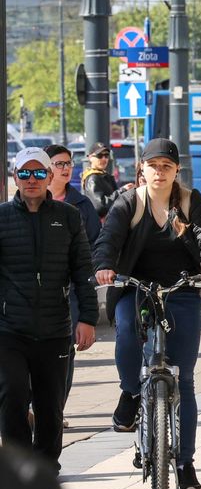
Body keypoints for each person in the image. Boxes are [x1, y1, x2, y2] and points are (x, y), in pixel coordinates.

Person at [93, 138, 201, 489]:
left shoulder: (188, 201)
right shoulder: (129, 202)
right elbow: (109, 237)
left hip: (180, 290)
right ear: (143, 168)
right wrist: (105, 265)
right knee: (126, 338)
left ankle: (185, 465)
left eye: (167, 166)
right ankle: (132, 393)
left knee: (184, 380)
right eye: (154, 166)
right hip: (136, 288)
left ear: (176, 170)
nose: (160, 172)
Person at [0, 147, 97, 472]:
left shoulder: (68, 217)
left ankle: (45, 467)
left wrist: (87, 318)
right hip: (9, 329)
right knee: (12, 396)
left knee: (50, 408)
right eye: (24, 173)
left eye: (39, 173)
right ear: (15, 177)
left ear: (50, 177)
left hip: (55, 329)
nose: (31, 179)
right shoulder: (2, 217)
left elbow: (83, 269)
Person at [45, 144, 102, 417]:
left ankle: (55, 411)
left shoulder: (81, 205)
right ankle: (35, 408)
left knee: (64, 353)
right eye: (59, 164)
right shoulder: (29, 201)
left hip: (72, 292)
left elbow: (95, 243)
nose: (66, 168)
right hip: (35, 292)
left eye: (68, 163)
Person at [81, 142, 120, 218]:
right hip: (101, 225)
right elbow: (100, 206)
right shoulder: (92, 178)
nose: (104, 159)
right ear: (90, 158)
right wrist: (121, 191)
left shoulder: (103, 175)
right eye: (99, 156)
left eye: (106, 155)